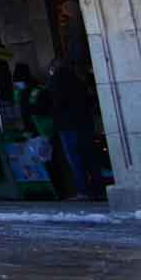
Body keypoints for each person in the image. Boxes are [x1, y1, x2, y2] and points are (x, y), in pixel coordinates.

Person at [47, 58, 102, 200]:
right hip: (84, 124)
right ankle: (97, 188)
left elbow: (55, 105)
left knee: (75, 159)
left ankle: (82, 190)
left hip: (67, 126)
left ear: (53, 68)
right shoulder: (79, 81)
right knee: (90, 157)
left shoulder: (55, 83)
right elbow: (90, 100)